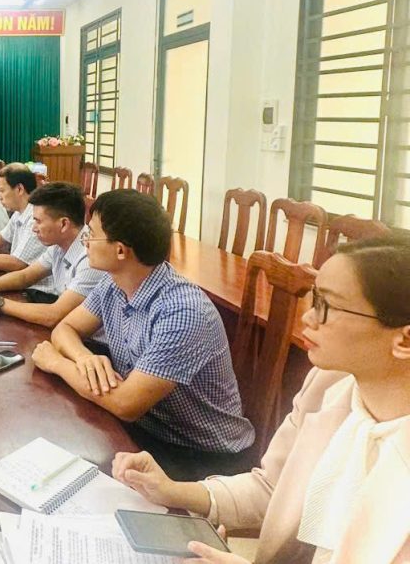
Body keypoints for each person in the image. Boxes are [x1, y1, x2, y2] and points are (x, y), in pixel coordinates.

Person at [112, 236, 410, 564]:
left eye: (326, 306)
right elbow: (272, 488)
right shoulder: (328, 385)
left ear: (405, 340)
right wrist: (172, 490)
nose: (308, 318)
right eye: (314, 299)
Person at [31, 189, 255, 481]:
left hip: (202, 456)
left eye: (92, 235)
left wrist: (58, 363)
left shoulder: (182, 311)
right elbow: (66, 328)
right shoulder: (114, 283)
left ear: (120, 251)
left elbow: (126, 404)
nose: (84, 241)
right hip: (149, 430)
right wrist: (84, 357)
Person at [0, 182, 104, 328]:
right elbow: (25, 276)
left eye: (38, 221)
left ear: (63, 224)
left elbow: (54, 315)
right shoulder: (58, 244)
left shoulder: (90, 258)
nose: (34, 228)